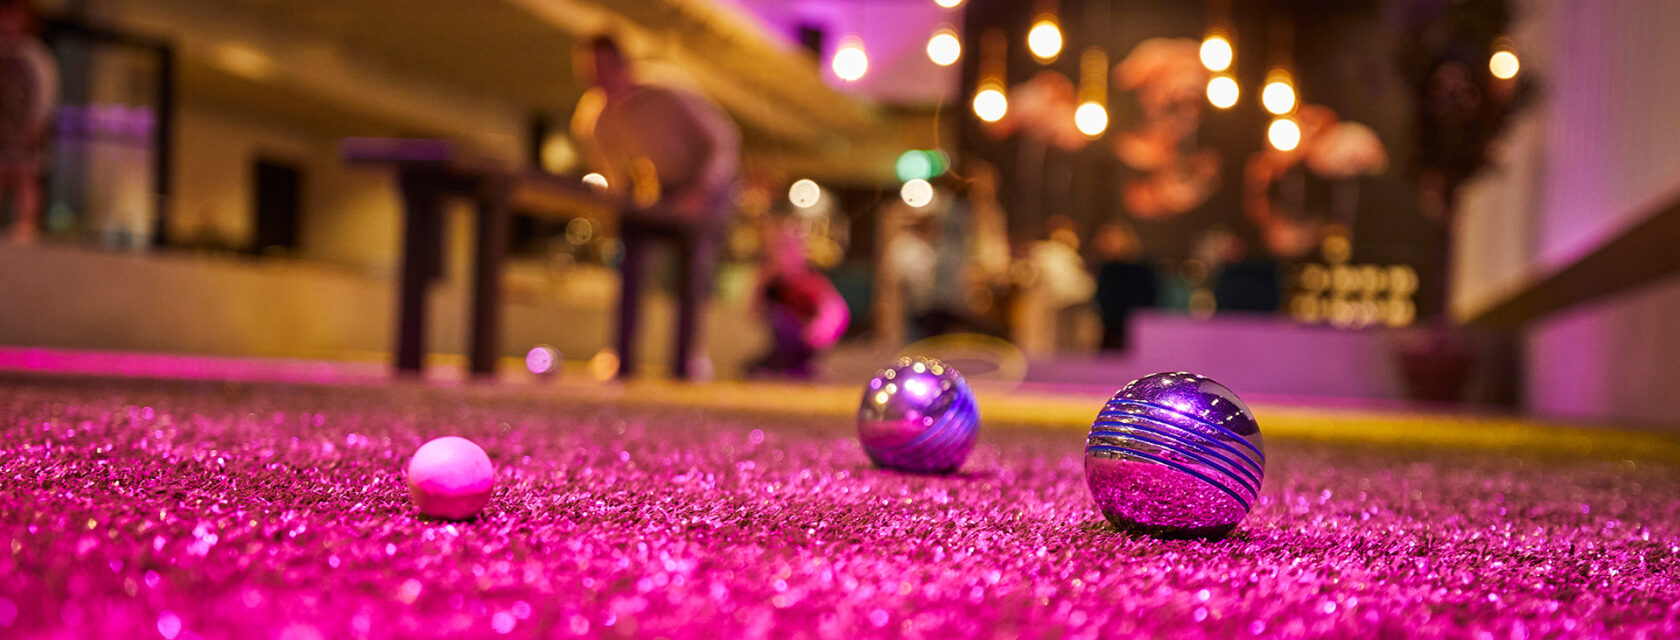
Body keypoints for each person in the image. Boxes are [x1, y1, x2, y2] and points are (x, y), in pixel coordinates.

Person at [574, 35, 740, 380]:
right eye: (591, 71)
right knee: (631, 260)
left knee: (693, 269)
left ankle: (689, 358)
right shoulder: (595, 118)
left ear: (625, 65)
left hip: (706, 184)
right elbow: (613, 177)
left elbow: (724, 140)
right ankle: (622, 355)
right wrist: (625, 201)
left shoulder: (669, 91)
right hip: (661, 190)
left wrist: (701, 191)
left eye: (605, 68)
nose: (599, 78)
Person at [748, 218, 849, 379]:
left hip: (804, 349)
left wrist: (819, 331)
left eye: (791, 248)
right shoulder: (770, 285)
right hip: (774, 355)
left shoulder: (811, 282)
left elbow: (835, 310)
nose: (785, 255)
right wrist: (763, 279)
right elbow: (753, 314)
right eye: (779, 248)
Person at [0, 0, 57, 243]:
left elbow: (46, 89)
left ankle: (26, 224)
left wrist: (38, 120)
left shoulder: (34, 55)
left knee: (26, 176)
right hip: (4, 127)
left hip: (25, 127)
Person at [1092, 222, 1158, 352]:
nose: (1108, 245)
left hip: (1137, 327)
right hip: (1109, 327)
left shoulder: (1142, 269)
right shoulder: (1104, 268)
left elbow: (1149, 296)